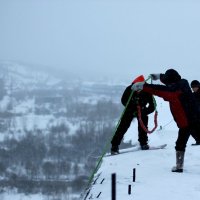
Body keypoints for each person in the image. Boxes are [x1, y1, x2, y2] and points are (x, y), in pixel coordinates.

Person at [131, 69, 200, 173]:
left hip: (187, 121)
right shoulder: (183, 83)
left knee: (180, 144)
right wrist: (159, 76)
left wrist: (144, 86)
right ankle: (179, 166)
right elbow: (170, 82)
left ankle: (179, 167)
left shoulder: (174, 91)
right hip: (193, 118)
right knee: (181, 143)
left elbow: (161, 90)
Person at [111, 75, 155, 155]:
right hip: (130, 110)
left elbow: (152, 106)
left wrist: (145, 111)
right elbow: (123, 100)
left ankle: (143, 143)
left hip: (142, 110)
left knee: (143, 126)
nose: (138, 89)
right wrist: (132, 108)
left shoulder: (147, 91)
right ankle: (114, 146)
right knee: (122, 127)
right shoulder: (129, 89)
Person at [190, 80, 200, 145]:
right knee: (191, 128)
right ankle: (198, 140)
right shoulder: (192, 95)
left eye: (195, 87)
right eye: (192, 87)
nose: (194, 88)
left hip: (198, 115)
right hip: (195, 115)